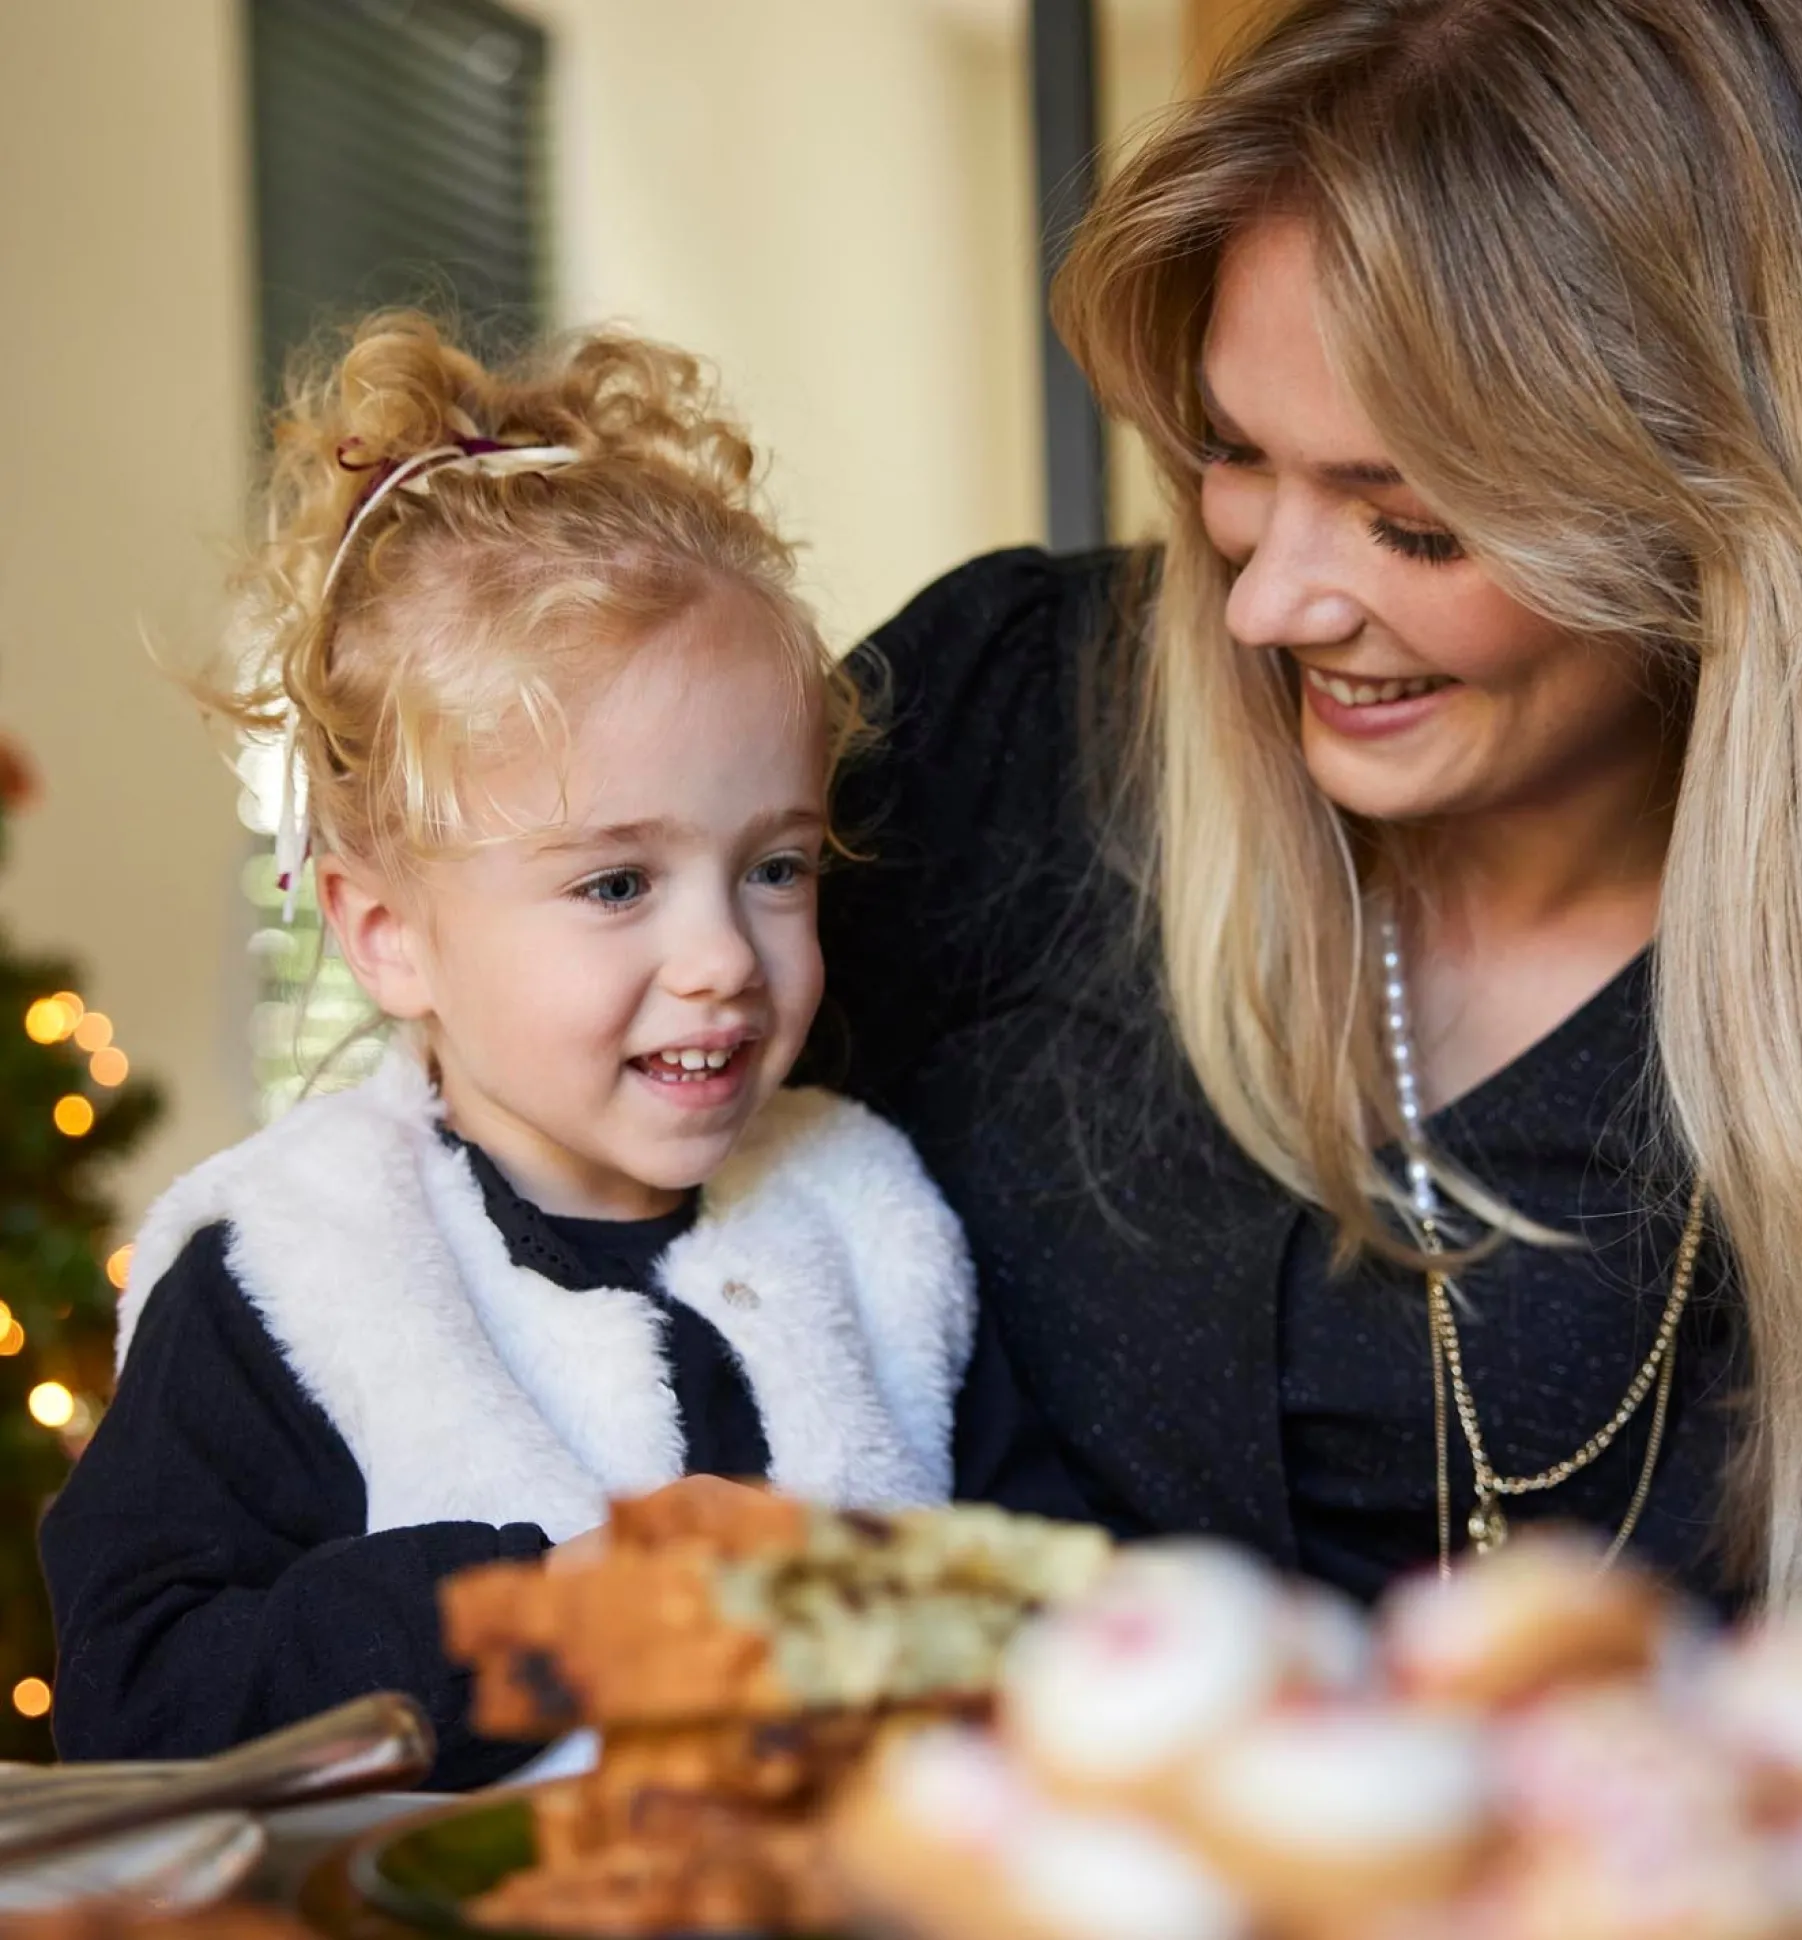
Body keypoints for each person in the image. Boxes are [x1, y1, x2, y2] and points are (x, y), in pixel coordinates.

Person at [806, 0, 1802, 1615]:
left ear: (1739, 511)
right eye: (1235, 452)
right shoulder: (999, 717)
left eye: (1408, 523)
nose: (1264, 605)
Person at [41, 315, 1078, 1789]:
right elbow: (138, 1699)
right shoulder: (293, 1271)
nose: (724, 957)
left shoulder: (869, 1216)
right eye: (617, 884)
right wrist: (561, 1617)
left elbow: (1064, 1617)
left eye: (775, 867)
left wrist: (893, 1610)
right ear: (387, 932)